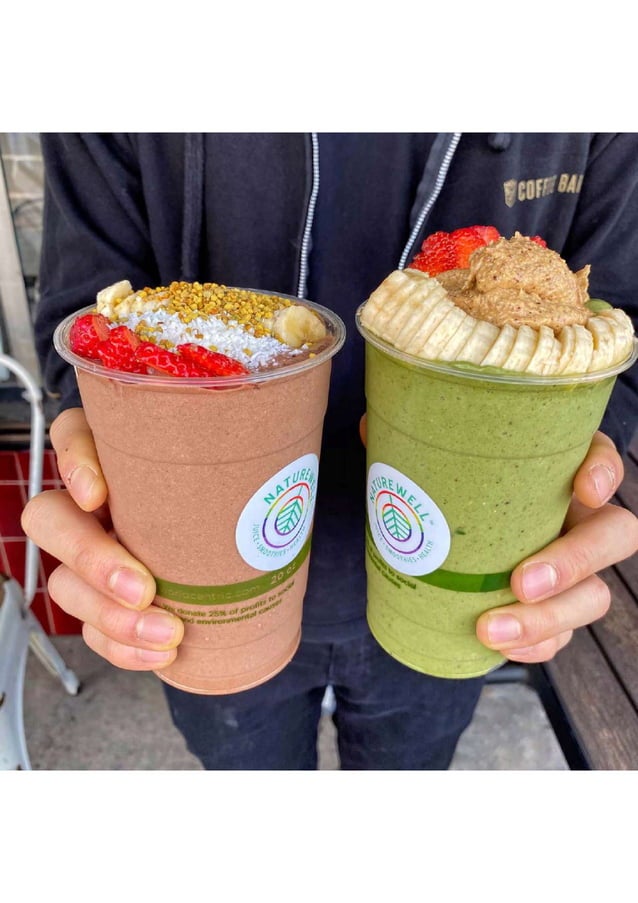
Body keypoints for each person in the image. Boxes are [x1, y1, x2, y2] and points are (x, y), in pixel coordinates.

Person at [22, 133, 638, 769]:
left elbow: (620, 314)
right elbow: (85, 310)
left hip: (458, 580)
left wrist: (573, 454)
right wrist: (99, 437)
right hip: (196, 591)